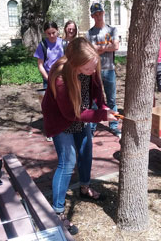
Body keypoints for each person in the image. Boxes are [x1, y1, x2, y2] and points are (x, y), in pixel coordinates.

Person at [41, 37, 117, 234]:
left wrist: (103, 106)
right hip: (61, 118)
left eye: (94, 68)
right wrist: (101, 115)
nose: (92, 72)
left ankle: (85, 188)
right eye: (88, 69)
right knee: (67, 162)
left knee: (85, 152)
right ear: (75, 64)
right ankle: (57, 212)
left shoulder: (91, 65)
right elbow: (71, 114)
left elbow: (97, 89)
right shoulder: (59, 76)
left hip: (80, 114)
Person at [85, 2, 121, 138]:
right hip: (94, 71)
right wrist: (107, 46)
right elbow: (89, 51)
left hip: (109, 69)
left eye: (100, 13)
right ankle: (93, 127)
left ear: (103, 13)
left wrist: (98, 49)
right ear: (92, 16)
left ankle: (114, 126)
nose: (98, 16)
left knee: (111, 99)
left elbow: (116, 46)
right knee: (95, 100)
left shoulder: (112, 30)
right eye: (95, 14)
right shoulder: (89, 33)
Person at [34, 21, 65, 89]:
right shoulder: (42, 45)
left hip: (63, 78)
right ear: (45, 33)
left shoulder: (64, 44)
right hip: (48, 79)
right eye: (49, 33)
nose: (51, 36)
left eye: (53, 33)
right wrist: (49, 79)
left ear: (57, 30)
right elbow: (40, 65)